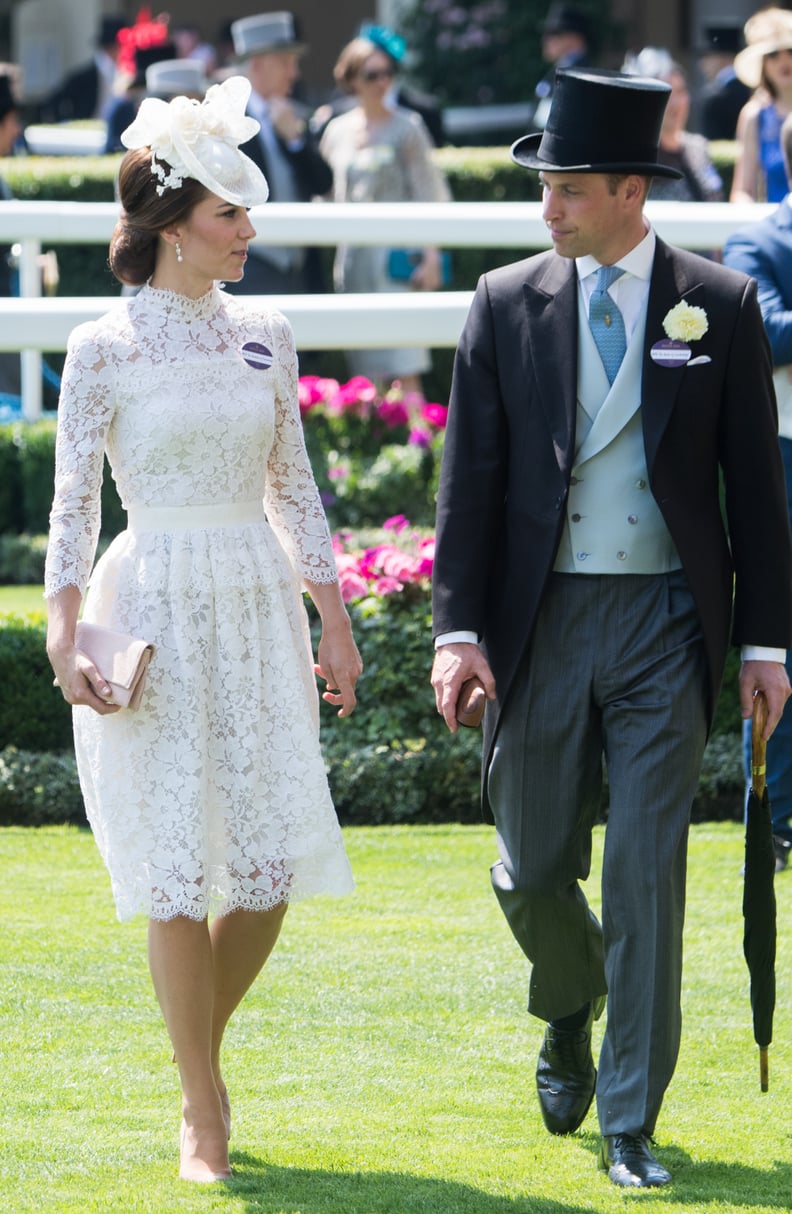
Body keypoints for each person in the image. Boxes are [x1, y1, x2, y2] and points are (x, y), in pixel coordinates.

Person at [430, 66, 792, 1189]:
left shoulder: (716, 305)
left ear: (632, 190)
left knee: (646, 873)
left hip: (667, 624)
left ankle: (628, 1118)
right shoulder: (502, 303)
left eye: (570, 189)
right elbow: (468, 483)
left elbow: (756, 493)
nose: (550, 210)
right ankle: (569, 994)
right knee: (533, 865)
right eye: (547, 189)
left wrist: (767, 645)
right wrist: (457, 630)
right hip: (541, 619)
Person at [44, 75, 362, 1184]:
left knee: (267, 865)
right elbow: (74, 502)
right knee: (175, 867)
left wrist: (334, 616)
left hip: (257, 600)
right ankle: (203, 1104)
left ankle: (196, 1057)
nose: (249, 230)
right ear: (175, 227)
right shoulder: (102, 344)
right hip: (152, 607)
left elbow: (300, 491)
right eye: (231, 214)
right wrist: (63, 627)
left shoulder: (269, 331)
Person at [723, 110, 792, 872]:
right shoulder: (758, 239)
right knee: (778, 645)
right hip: (788, 461)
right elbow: (768, 333)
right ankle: (773, 816)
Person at [319, 35, 451, 394]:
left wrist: (432, 255)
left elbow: (431, 195)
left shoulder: (409, 127)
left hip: (397, 259)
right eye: (372, 74)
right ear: (352, 78)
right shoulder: (335, 131)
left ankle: (417, 450)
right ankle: (374, 448)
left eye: (388, 72)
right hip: (352, 261)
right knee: (364, 378)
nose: (382, 82)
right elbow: (325, 196)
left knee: (405, 368)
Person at [226, 11, 332, 295]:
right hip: (251, 267)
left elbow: (323, 182)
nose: (294, 73)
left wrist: (296, 140)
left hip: (302, 271)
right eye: (286, 62)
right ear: (258, 64)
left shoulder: (293, 114)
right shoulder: (226, 121)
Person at [622, 49, 723, 202]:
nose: (676, 103)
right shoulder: (639, 158)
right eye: (668, 94)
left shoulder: (697, 146)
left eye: (681, 91)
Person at [731, 7, 792, 203]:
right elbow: (742, 191)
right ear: (763, 64)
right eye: (773, 54)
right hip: (777, 228)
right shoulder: (754, 115)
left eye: (790, 51)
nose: (784, 60)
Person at [37, 14, 124, 123]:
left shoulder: (124, 71)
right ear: (112, 47)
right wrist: (66, 125)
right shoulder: (85, 77)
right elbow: (53, 101)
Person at [530, 3, 592, 132]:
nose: (546, 40)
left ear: (576, 39)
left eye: (555, 34)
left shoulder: (583, 77)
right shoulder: (557, 71)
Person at [696, 25, 751, 141]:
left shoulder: (713, 99)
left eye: (707, 56)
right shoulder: (753, 92)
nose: (702, 64)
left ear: (724, 57)